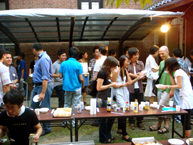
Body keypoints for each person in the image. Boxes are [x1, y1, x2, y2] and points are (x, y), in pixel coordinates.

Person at [112, 55, 144, 142]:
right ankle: (125, 134)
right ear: (122, 61)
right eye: (127, 61)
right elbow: (113, 84)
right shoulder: (116, 71)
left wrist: (138, 78)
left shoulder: (125, 70)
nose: (128, 63)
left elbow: (129, 83)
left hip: (125, 92)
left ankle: (119, 129)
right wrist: (123, 85)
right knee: (123, 112)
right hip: (118, 92)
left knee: (124, 111)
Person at [160, 58, 193, 138]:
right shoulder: (177, 72)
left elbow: (179, 85)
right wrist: (170, 74)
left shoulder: (178, 72)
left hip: (186, 97)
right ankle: (186, 138)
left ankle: (187, 139)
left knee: (186, 119)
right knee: (184, 119)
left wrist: (166, 86)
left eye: (167, 66)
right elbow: (174, 83)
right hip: (184, 96)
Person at [31, 42, 54, 136]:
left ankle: (46, 128)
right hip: (38, 86)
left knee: (44, 108)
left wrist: (43, 92)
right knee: (34, 107)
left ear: (34, 50)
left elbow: (45, 77)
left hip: (42, 86)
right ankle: (35, 126)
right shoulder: (41, 58)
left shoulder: (44, 59)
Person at [149, 45, 173, 134]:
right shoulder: (162, 63)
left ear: (168, 52)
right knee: (163, 107)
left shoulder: (172, 62)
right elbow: (160, 75)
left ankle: (160, 125)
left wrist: (172, 89)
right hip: (160, 88)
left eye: (163, 53)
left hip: (168, 89)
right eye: (160, 54)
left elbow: (175, 77)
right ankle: (165, 126)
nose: (161, 55)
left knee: (163, 107)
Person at [96, 56, 120, 143]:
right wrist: (111, 85)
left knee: (111, 117)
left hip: (108, 98)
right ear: (109, 65)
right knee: (104, 119)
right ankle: (103, 138)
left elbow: (113, 81)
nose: (115, 68)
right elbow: (99, 87)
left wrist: (115, 73)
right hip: (102, 98)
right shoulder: (102, 73)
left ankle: (107, 134)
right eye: (114, 66)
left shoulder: (109, 72)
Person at [127, 47, 145, 130]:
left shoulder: (141, 63)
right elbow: (125, 74)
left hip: (139, 87)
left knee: (140, 105)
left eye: (137, 54)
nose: (137, 56)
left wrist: (139, 75)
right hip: (130, 88)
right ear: (130, 56)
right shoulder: (127, 63)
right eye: (135, 55)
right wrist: (135, 75)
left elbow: (143, 76)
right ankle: (131, 122)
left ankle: (140, 122)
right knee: (131, 105)